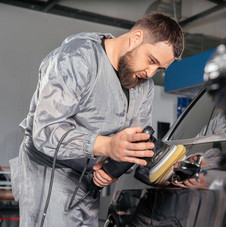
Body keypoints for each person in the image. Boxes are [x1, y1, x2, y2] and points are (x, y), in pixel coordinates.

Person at [9, 12, 184, 227]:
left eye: (159, 69)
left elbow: (134, 141)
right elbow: (45, 131)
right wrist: (107, 145)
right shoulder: (76, 58)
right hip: (48, 173)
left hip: (89, 182)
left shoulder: (144, 86)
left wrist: (115, 169)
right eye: (151, 60)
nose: (150, 73)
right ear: (136, 37)